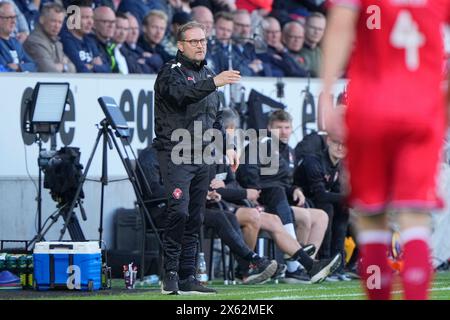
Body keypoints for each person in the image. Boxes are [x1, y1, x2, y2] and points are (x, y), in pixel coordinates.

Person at [321, 1, 450, 300]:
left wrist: (327, 94)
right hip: (422, 108)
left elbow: (340, 25)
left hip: (372, 106)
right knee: (415, 220)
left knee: (371, 218)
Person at [153, 21, 241, 295]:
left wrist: (227, 146)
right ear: (181, 46)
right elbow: (181, 96)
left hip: (203, 155)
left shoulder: (208, 74)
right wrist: (214, 82)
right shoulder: (171, 71)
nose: (201, 45)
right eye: (194, 41)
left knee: (195, 216)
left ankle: (187, 275)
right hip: (176, 152)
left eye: (203, 40)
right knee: (178, 210)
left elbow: (213, 119)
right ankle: (168, 274)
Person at [23, 3, 76, 73]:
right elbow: (48, 70)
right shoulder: (34, 41)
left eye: (60, 22)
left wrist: (63, 67)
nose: (57, 26)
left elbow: (73, 69)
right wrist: (64, 66)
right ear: (41, 20)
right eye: (53, 21)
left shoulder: (57, 42)